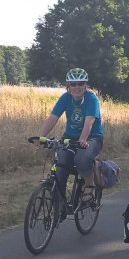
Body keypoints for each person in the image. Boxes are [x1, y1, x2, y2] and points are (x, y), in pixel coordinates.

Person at [38, 67, 104, 205]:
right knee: (60, 167)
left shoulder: (91, 99)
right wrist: (41, 137)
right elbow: (53, 117)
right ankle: (59, 207)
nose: (77, 87)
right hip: (70, 136)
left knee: (82, 159)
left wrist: (83, 140)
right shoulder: (65, 98)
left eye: (80, 83)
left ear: (86, 85)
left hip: (92, 137)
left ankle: (89, 185)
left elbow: (89, 121)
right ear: (68, 86)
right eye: (73, 84)